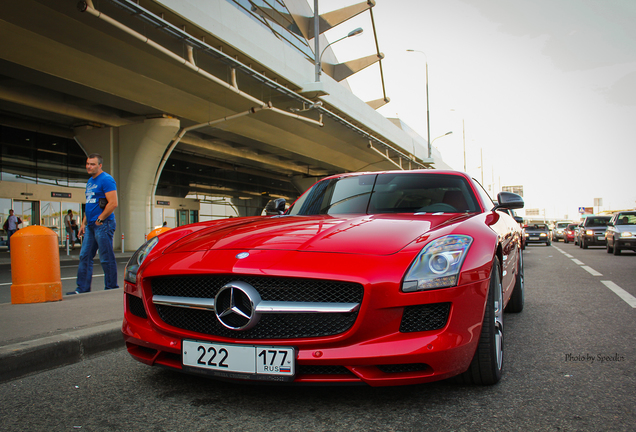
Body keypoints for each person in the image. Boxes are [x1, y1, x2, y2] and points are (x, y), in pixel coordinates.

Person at [67, 153, 119, 295]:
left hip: (104, 225)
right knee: (85, 256)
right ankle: (82, 289)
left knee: (106, 257)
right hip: (90, 226)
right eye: (88, 164)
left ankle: (111, 288)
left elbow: (113, 203)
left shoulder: (106, 180)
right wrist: (83, 223)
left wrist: (100, 219)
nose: (89, 166)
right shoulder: (90, 181)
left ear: (100, 165)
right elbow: (90, 204)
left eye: (93, 164)